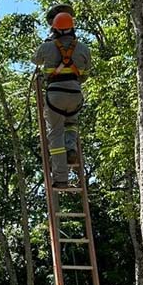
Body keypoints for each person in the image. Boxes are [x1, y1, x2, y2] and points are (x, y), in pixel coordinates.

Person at [32, 10, 91, 188]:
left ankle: (61, 178)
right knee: (71, 123)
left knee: (55, 134)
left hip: (55, 96)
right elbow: (85, 75)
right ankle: (71, 148)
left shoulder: (48, 46)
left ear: (55, 29)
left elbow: (35, 60)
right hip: (75, 95)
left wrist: (48, 44)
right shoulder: (83, 48)